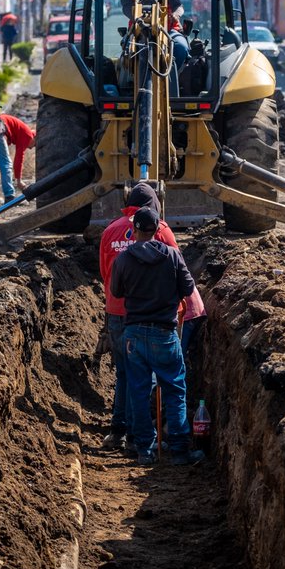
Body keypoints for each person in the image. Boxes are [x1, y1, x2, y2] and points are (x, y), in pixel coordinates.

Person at [109, 206, 202, 466]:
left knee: (138, 392)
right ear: (157, 230)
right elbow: (187, 287)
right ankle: (180, 450)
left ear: (135, 230)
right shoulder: (172, 256)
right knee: (174, 390)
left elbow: (116, 292)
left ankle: (144, 451)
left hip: (134, 334)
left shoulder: (124, 260)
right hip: (164, 333)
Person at [98, 184, 179, 451]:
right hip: (149, 313)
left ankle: (119, 430)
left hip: (116, 312)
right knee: (148, 376)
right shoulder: (162, 230)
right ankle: (142, 437)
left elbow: (103, 272)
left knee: (124, 374)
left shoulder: (109, 231)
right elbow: (177, 267)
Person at [0, 112, 36, 206]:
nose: (32, 148)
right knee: (6, 164)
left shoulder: (22, 131)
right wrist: (19, 180)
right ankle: (10, 197)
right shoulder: (28, 135)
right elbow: (19, 158)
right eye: (35, 145)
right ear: (35, 137)